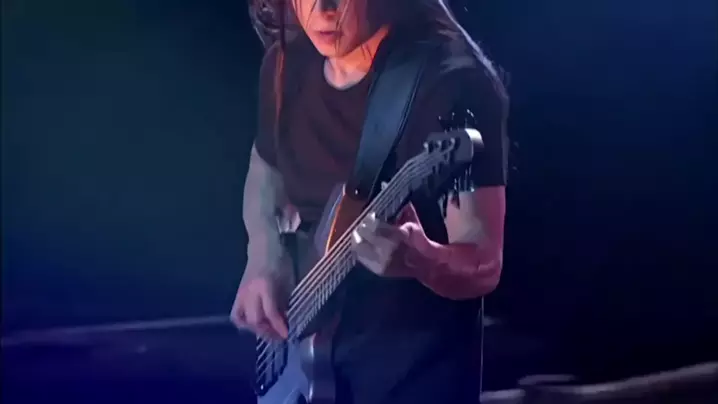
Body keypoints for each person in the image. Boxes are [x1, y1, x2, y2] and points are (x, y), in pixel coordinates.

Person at [232, 0, 509, 402]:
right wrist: (264, 253)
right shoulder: (286, 63)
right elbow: (266, 166)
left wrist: (421, 260)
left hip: (409, 375)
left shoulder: (452, 83)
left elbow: (484, 263)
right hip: (307, 370)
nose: (323, 9)